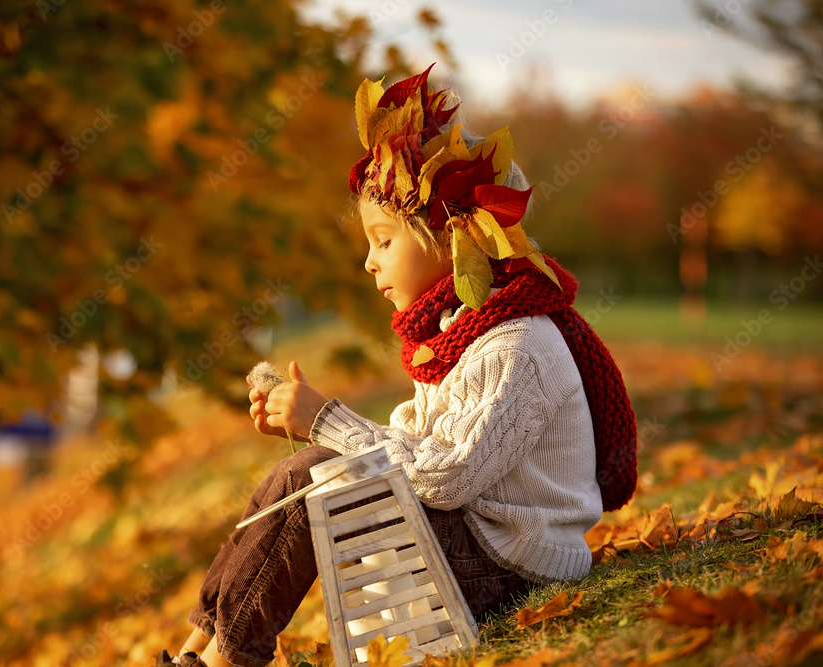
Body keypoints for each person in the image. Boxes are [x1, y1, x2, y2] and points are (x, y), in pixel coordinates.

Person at [160, 63, 638, 667]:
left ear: (452, 238)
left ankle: (224, 657)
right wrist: (319, 429)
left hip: (514, 564)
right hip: (476, 538)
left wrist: (328, 422)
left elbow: (446, 476)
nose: (369, 262)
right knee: (308, 471)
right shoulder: (455, 335)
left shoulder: (515, 347)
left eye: (383, 240)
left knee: (313, 475)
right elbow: (412, 446)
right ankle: (199, 648)